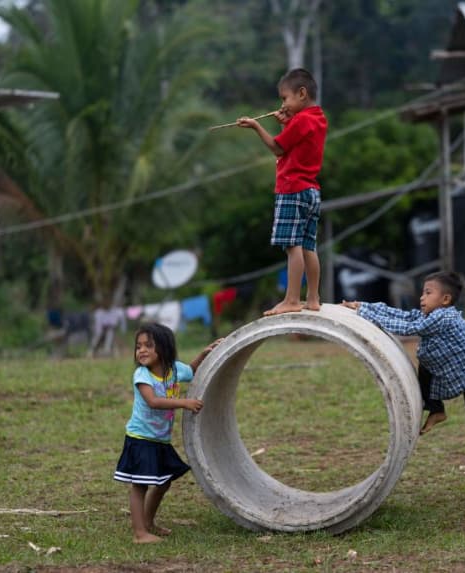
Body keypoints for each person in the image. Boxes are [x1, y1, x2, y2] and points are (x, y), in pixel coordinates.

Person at [341, 271, 465, 504]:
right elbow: (403, 315)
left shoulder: (444, 318)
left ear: (446, 300)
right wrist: (364, 306)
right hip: (458, 369)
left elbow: (406, 327)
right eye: (422, 292)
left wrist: (363, 313)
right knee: (426, 358)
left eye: (428, 293)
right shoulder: (430, 315)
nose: (422, 297)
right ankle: (436, 409)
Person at [113, 323, 221, 543]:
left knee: (164, 482)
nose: (141, 350)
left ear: (164, 348)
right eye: (139, 346)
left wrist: (203, 354)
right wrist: (184, 403)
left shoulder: (173, 369)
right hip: (141, 438)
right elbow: (153, 401)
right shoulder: (142, 375)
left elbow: (191, 370)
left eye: (148, 345)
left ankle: (148, 522)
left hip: (160, 439)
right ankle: (139, 533)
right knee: (139, 486)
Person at [237, 68, 328, 316]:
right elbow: (297, 143)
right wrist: (287, 123)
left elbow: (278, 148)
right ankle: (312, 298)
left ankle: (291, 299)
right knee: (308, 245)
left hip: (292, 189)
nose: (282, 104)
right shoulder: (317, 118)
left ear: (301, 94)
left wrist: (257, 127)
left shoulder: (301, 120)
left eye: (285, 98)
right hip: (311, 190)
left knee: (292, 245)